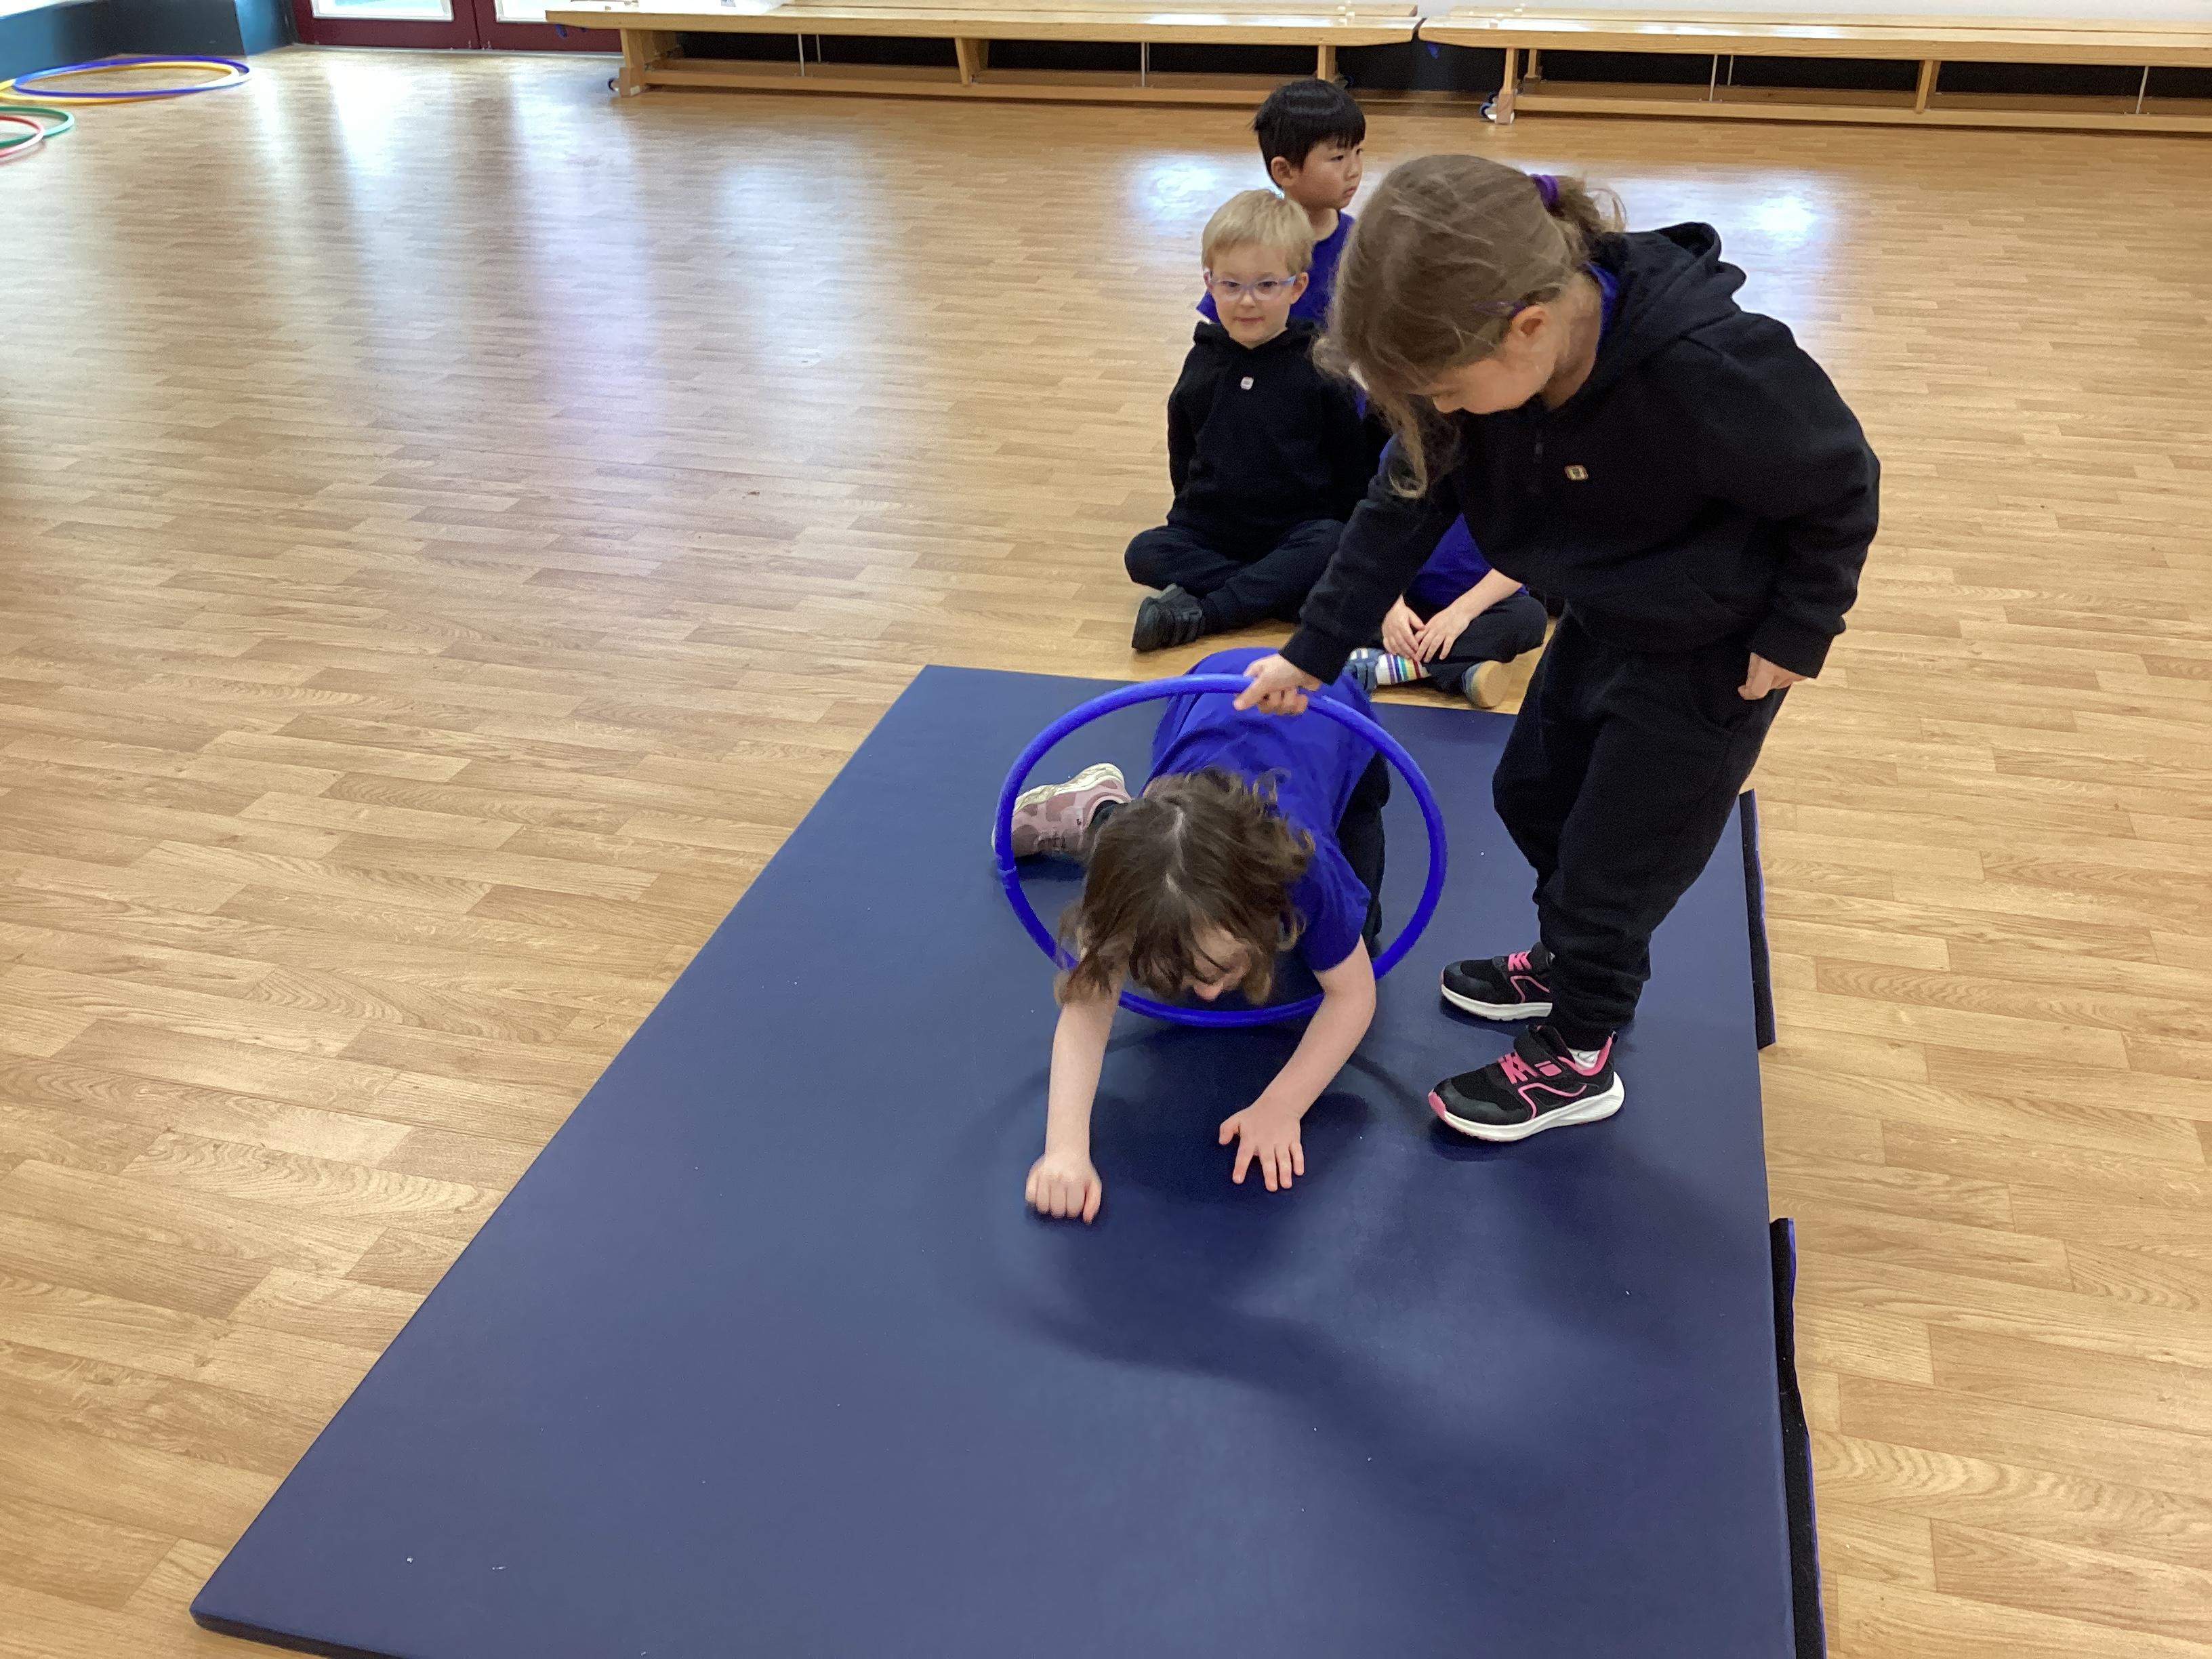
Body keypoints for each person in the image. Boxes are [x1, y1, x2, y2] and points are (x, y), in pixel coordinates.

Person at [1235, 155, 1879, 1143]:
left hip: (1716, 646)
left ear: (1529, 327)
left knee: (1614, 871)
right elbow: (1400, 504)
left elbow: (1841, 484)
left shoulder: (1710, 367)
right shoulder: (1478, 367)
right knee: (1531, 794)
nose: (1443, 411)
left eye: (1448, 391)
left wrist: (1800, 628)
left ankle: (1581, 1049)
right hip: (1604, 616)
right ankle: (1570, 960)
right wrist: (1312, 652)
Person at [1013, 647, 1386, 1223]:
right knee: (1160, 838)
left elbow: (1354, 996)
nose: (1208, 994)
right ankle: (1099, 809)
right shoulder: (1128, 894)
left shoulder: (1306, 870)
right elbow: (1085, 1012)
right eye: (1187, 976)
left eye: (1221, 968)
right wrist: (1064, 1150)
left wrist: (1282, 1106)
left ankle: (1100, 813)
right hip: (1205, 697)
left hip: (1329, 706)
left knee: (1362, 933)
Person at [1126, 191, 1381, 653]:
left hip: (1296, 530)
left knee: (1329, 540)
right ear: (1209, 284)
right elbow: (1183, 450)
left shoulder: (1322, 368)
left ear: (1297, 287)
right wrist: (1190, 515)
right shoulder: (1201, 363)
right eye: (1231, 285)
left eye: (1266, 285)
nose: (1247, 301)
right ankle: (1277, 594)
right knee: (1144, 553)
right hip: (1215, 532)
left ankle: (1209, 613)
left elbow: (1350, 464)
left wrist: (1346, 537)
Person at [1196, 77, 1364, 327]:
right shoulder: (1251, 240)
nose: (1354, 170)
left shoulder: (1360, 242)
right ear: (1285, 171)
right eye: (1338, 158)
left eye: (1359, 152)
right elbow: (1222, 324)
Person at [1343, 541, 1549, 708]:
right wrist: (1392, 606)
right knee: (1342, 592)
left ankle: (1393, 666)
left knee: (1530, 617)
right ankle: (1462, 670)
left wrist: (1461, 612)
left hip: (1482, 610)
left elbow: (1523, 559)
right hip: (1410, 606)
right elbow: (1373, 540)